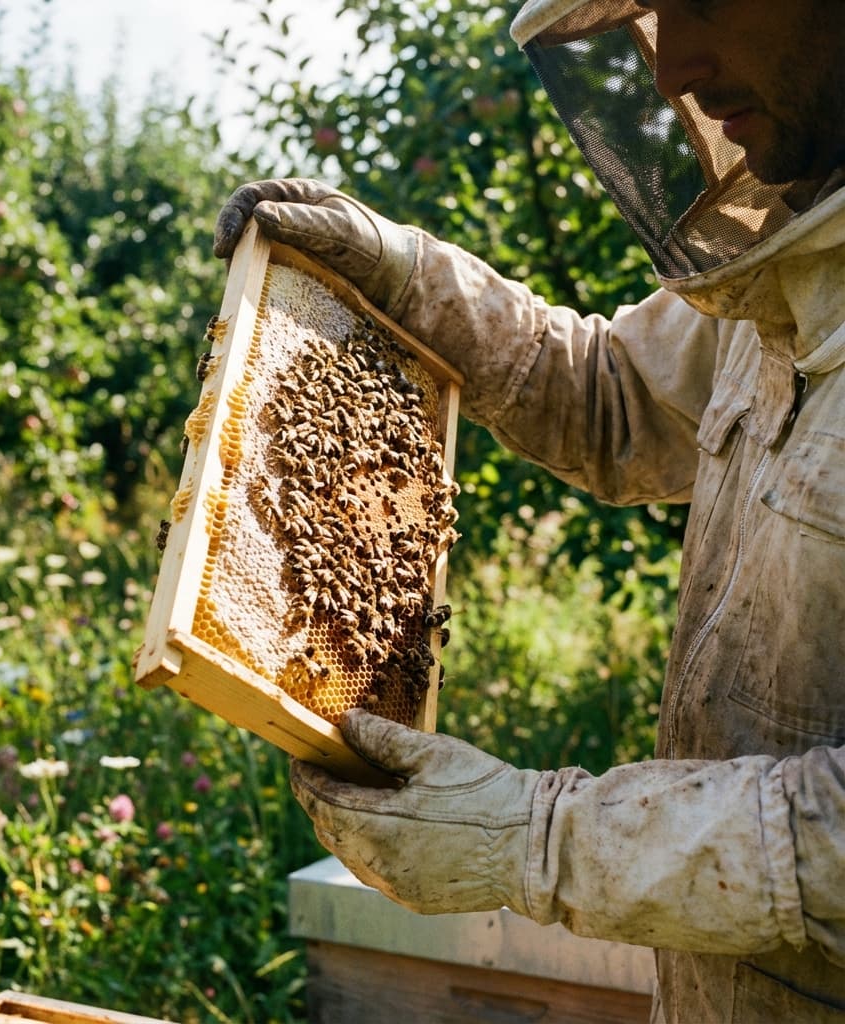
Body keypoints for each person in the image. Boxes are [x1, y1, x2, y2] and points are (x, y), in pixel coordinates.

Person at [212, 1, 845, 1021]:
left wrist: (539, 837)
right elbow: (612, 396)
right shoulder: (801, 255)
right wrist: (409, 273)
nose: (672, 67)